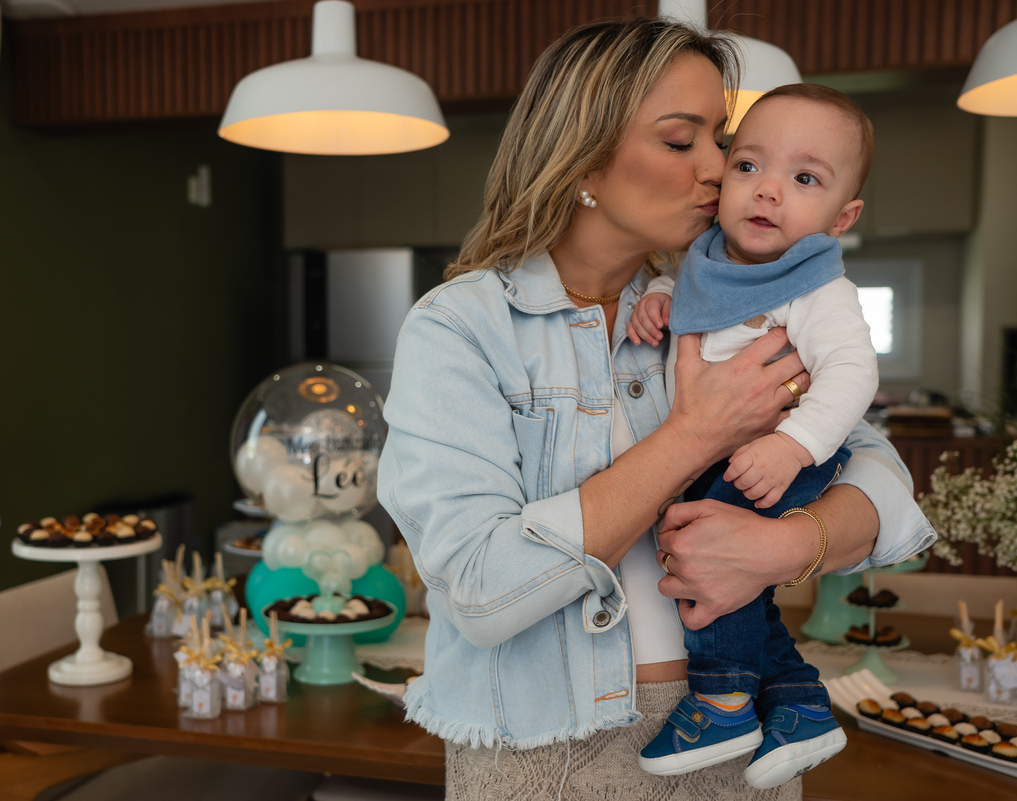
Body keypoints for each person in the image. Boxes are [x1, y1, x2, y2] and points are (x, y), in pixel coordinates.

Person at [377, 18, 935, 801]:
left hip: (734, 734)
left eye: (721, 139)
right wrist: (693, 434)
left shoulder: (712, 307)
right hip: (547, 751)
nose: (721, 168)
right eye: (683, 142)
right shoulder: (461, 326)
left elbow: (883, 484)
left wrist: (785, 546)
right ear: (586, 161)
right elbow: (479, 589)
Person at [628, 84, 878, 788]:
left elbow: (854, 370)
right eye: (748, 167)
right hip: (729, 447)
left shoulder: (815, 287)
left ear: (842, 216)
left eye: (804, 179)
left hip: (780, 454)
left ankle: (724, 697)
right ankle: (799, 704)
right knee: (740, 578)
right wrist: (656, 298)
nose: (767, 192)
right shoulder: (709, 259)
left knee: (706, 558)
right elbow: (693, 304)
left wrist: (793, 443)